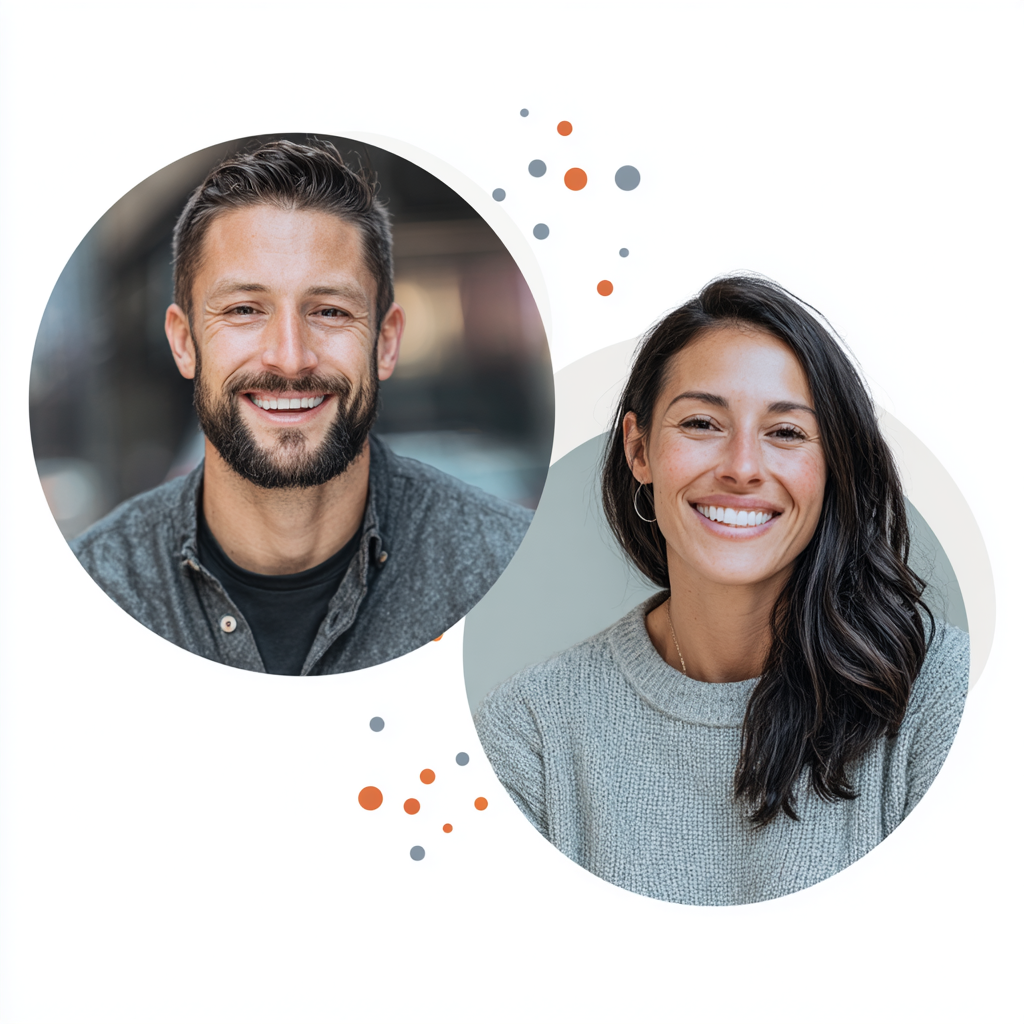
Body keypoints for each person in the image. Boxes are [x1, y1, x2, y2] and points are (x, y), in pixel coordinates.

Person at [474, 275, 969, 905]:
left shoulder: (941, 696)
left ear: (834, 465)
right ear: (639, 449)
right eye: (703, 423)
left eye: (786, 432)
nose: (741, 466)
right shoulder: (534, 730)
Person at [72, 140, 533, 675]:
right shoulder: (93, 593)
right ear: (184, 342)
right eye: (244, 309)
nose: (290, 358)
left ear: (385, 343)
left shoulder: (510, 575)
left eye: (330, 311)